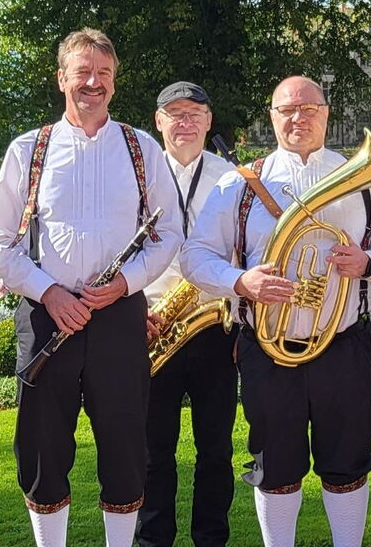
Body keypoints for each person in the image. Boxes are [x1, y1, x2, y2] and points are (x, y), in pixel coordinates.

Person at [0, 28, 183, 547]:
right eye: (83, 72)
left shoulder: (141, 148)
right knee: (43, 447)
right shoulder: (29, 149)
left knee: (124, 445)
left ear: (114, 82)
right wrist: (49, 292)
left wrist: (127, 282)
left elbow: (170, 232)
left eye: (104, 74)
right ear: (62, 79)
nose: (93, 83)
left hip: (118, 314)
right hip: (48, 313)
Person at [179, 76, 371, 547]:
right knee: (275, 464)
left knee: (347, 461)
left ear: (326, 112)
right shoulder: (237, 186)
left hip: (343, 341)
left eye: (309, 108)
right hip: (265, 345)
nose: (298, 118)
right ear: (272, 116)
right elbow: (194, 255)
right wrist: (241, 281)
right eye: (286, 110)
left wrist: (369, 262)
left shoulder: (361, 181)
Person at [135, 81, 239, 547]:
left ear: (209, 121)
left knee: (215, 451)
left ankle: (211, 538)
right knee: (153, 452)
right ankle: (152, 539)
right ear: (158, 121)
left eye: (195, 113)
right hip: (153, 322)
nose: (185, 122)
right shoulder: (136, 173)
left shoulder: (233, 177)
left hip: (214, 325)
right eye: (174, 113)